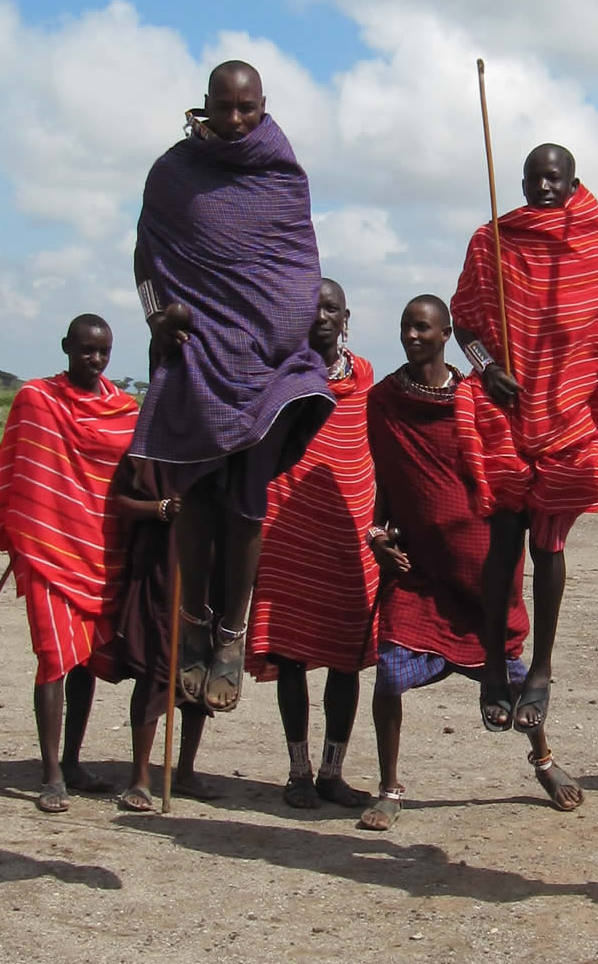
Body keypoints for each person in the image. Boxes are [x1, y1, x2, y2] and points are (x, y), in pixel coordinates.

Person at [130, 59, 335, 718]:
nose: (237, 119)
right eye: (226, 107)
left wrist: (285, 323)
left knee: (247, 502)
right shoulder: (172, 174)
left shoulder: (281, 173)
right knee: (196, 492)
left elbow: (295, 259)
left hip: (270, 363)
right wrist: (155, 315)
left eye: (248, 108)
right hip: (199, 352)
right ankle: (194, 621)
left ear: (264, 106)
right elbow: (146, 259)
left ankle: (230, 632)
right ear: (206, 106)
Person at [356, 296, 583, 831]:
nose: (413, 337)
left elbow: (504, 468)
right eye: (406, 327)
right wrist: (375, 534)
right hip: (417, 568)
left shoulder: (476, 396)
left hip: (481, 564)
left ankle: (544, 762)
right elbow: (383, 478)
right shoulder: (384, 400)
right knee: (388, 672)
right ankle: (389, 787)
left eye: (423, 328)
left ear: (446, 332)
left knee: (511, 674)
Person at [451, 144, 598, 734]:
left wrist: (568, 388)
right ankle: (495, 664)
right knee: (501, 547)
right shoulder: (491, 241)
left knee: (549, 548)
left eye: (555, 179)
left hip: (566, 414)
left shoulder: (592, 245)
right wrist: (487, 366)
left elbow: (594, 332)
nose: (544, 188)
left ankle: (541, 669)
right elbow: (464, 322)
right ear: (520, 181)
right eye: (535, 178)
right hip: (505, 408)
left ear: (574, 180)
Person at [0, 314, 139, 813]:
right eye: (85, 350)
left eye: (103, 352)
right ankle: (51, 772)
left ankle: (73, 761)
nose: (94, 360)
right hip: (49, 550)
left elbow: (129, 475)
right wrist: (23, 528)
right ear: (66, 348)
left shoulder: (123, 410)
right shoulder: (37, 399)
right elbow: (16, 464)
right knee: (54, 658)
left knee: (85, 663)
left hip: (100, 551)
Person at [246, 279, 376, 809]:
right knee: (293, 656)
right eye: (310, 308)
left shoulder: (366, 380)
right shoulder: (279, 378)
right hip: (287, 531)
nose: (321, 316)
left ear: (347, 315)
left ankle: (332, 771)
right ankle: (298, 771)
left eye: (330, 308)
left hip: (350, 530)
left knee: (346, 658)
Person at [107, 455, 220, 812]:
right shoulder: (146, 450)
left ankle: (185, 770)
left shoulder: (219, 447)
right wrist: (161, 508)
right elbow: (121, 502)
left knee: (198, 671)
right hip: (160, 569)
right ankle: (140, 778)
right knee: (155, 669)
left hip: (205, 569)